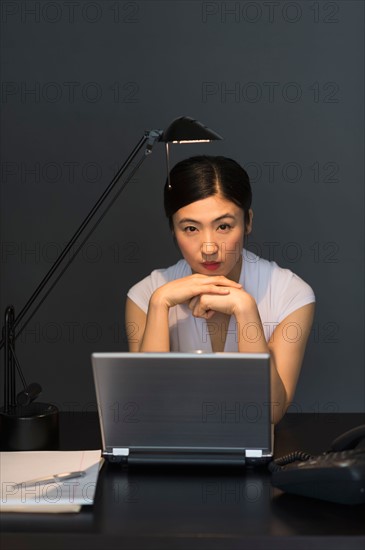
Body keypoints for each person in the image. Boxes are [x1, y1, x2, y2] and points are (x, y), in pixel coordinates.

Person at [125, 156, 315, 424]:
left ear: (247, 222)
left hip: (252, 458)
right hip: (173, 451)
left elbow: (268, 413)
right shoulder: (146, 294)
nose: (209, 247)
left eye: (223, 226)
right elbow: (147, 409)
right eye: (191, 228)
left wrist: (246, 310)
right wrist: (159, 305)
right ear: (172, 229)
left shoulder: (291, 293)